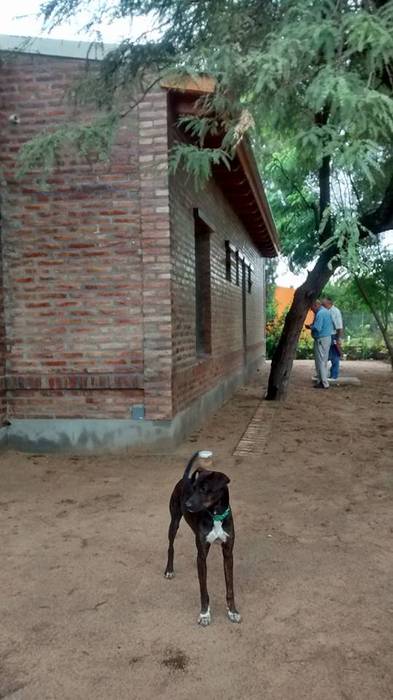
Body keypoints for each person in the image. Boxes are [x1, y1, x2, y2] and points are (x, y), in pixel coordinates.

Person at [306, 300, 334, 389]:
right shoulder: (325, 312)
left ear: (316, 305)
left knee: (320, 361)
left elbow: (317, 328)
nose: (312, 310)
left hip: (321, 339)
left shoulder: (320, 313)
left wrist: (310, 327)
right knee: (323, 360)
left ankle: (323, 383)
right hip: (326, 338)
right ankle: (322, 381)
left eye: (312, 308)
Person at [321, 296, 343, 379]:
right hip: (326, 335)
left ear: (329, 302)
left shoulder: (335, 311)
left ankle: (334, 375)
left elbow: (339, 326)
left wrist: (338, 339)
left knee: (334, 356)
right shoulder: (325, 310)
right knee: (325, 355)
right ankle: (324, 374)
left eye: (324, 302)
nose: (322, 303)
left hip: (333, 335)